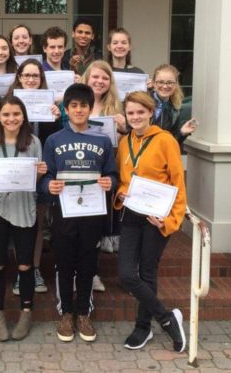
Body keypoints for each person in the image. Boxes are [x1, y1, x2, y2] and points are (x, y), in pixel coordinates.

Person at [40, 83, 117, 343]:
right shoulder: (53, 140)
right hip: (64, 213)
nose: (79, 110)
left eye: (83, 105)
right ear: (66, 109)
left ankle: (83, 312)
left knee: (87, 263)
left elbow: (113, 175)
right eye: (73, 105)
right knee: (64, 264)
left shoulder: (102, 139)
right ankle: (66, 313)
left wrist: (111, 183)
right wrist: (48, 185)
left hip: (93, 213)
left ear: (90, 107)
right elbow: (46, 176)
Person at [115, 91, 187, 352]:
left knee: (147, 272)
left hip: (157, 217)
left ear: (152, 112)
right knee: (126, 274)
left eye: (140, 112)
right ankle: (167, 318)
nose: (135, 117)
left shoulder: (166, 141)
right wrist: (121, 192)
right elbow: (125, 179)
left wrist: (170, 221)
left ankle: (143, 327)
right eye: (131, 113)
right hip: (132, 213)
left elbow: (178, 184)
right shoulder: (125, 142)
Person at [0, 96, 47, 341]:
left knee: (25, 264)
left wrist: (40, 174)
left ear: (23, 117)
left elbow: (35, 181)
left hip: (24, 207)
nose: (11, 119)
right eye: (6, 115)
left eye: (16, 114)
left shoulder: (34, 142)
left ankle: (26, 312)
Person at [6, 59, 61, 295]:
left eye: (35, 76)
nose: (30, 80)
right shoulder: (8, 103)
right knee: (18, 224)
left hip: (40, 174)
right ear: (19, 77)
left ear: (41, 79)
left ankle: (34, 268)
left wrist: (58, 117)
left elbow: (55, 140)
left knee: (36, 224)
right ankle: (21, 269)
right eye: (26, 75)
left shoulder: (49, 106)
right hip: (14, 173)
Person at [81, 60, 126, 288]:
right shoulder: (76, 103)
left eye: (104, 78)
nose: (99, 82)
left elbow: (124, 144)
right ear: (87, 78)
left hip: (104, 175)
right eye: (95, 77)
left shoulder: (117, 109)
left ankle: (93, 272)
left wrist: (123, 128)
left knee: (96, 223)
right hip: (79, 171)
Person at [151, 64, 197, 145]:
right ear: (154, 83)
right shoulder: (143, 103)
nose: (165, 86)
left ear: (176, 84)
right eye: (160, 82)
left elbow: (171, 141)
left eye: (170, 82)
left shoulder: (174, 109)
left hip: (160, 154)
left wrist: (182, 132)